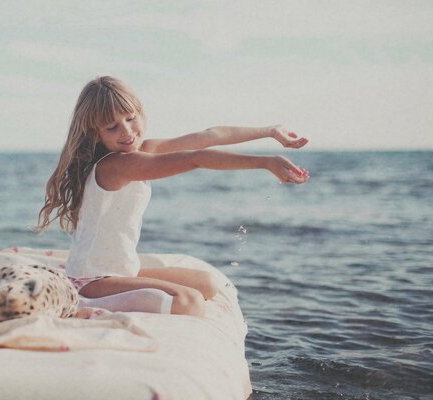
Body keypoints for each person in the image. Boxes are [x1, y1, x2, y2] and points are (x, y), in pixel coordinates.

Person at [38, 76, 309, 317]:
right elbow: (196, 159)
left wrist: (270, 131)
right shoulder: (116, 166)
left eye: (131, 119)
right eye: (112, 127)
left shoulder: (143, 150)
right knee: (189, 302)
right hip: (91, 280)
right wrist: (265, 162)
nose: (127, 131)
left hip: (121, 271)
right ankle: (78, 306)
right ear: (94, 134)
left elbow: (209, 136)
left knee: (208, 284)